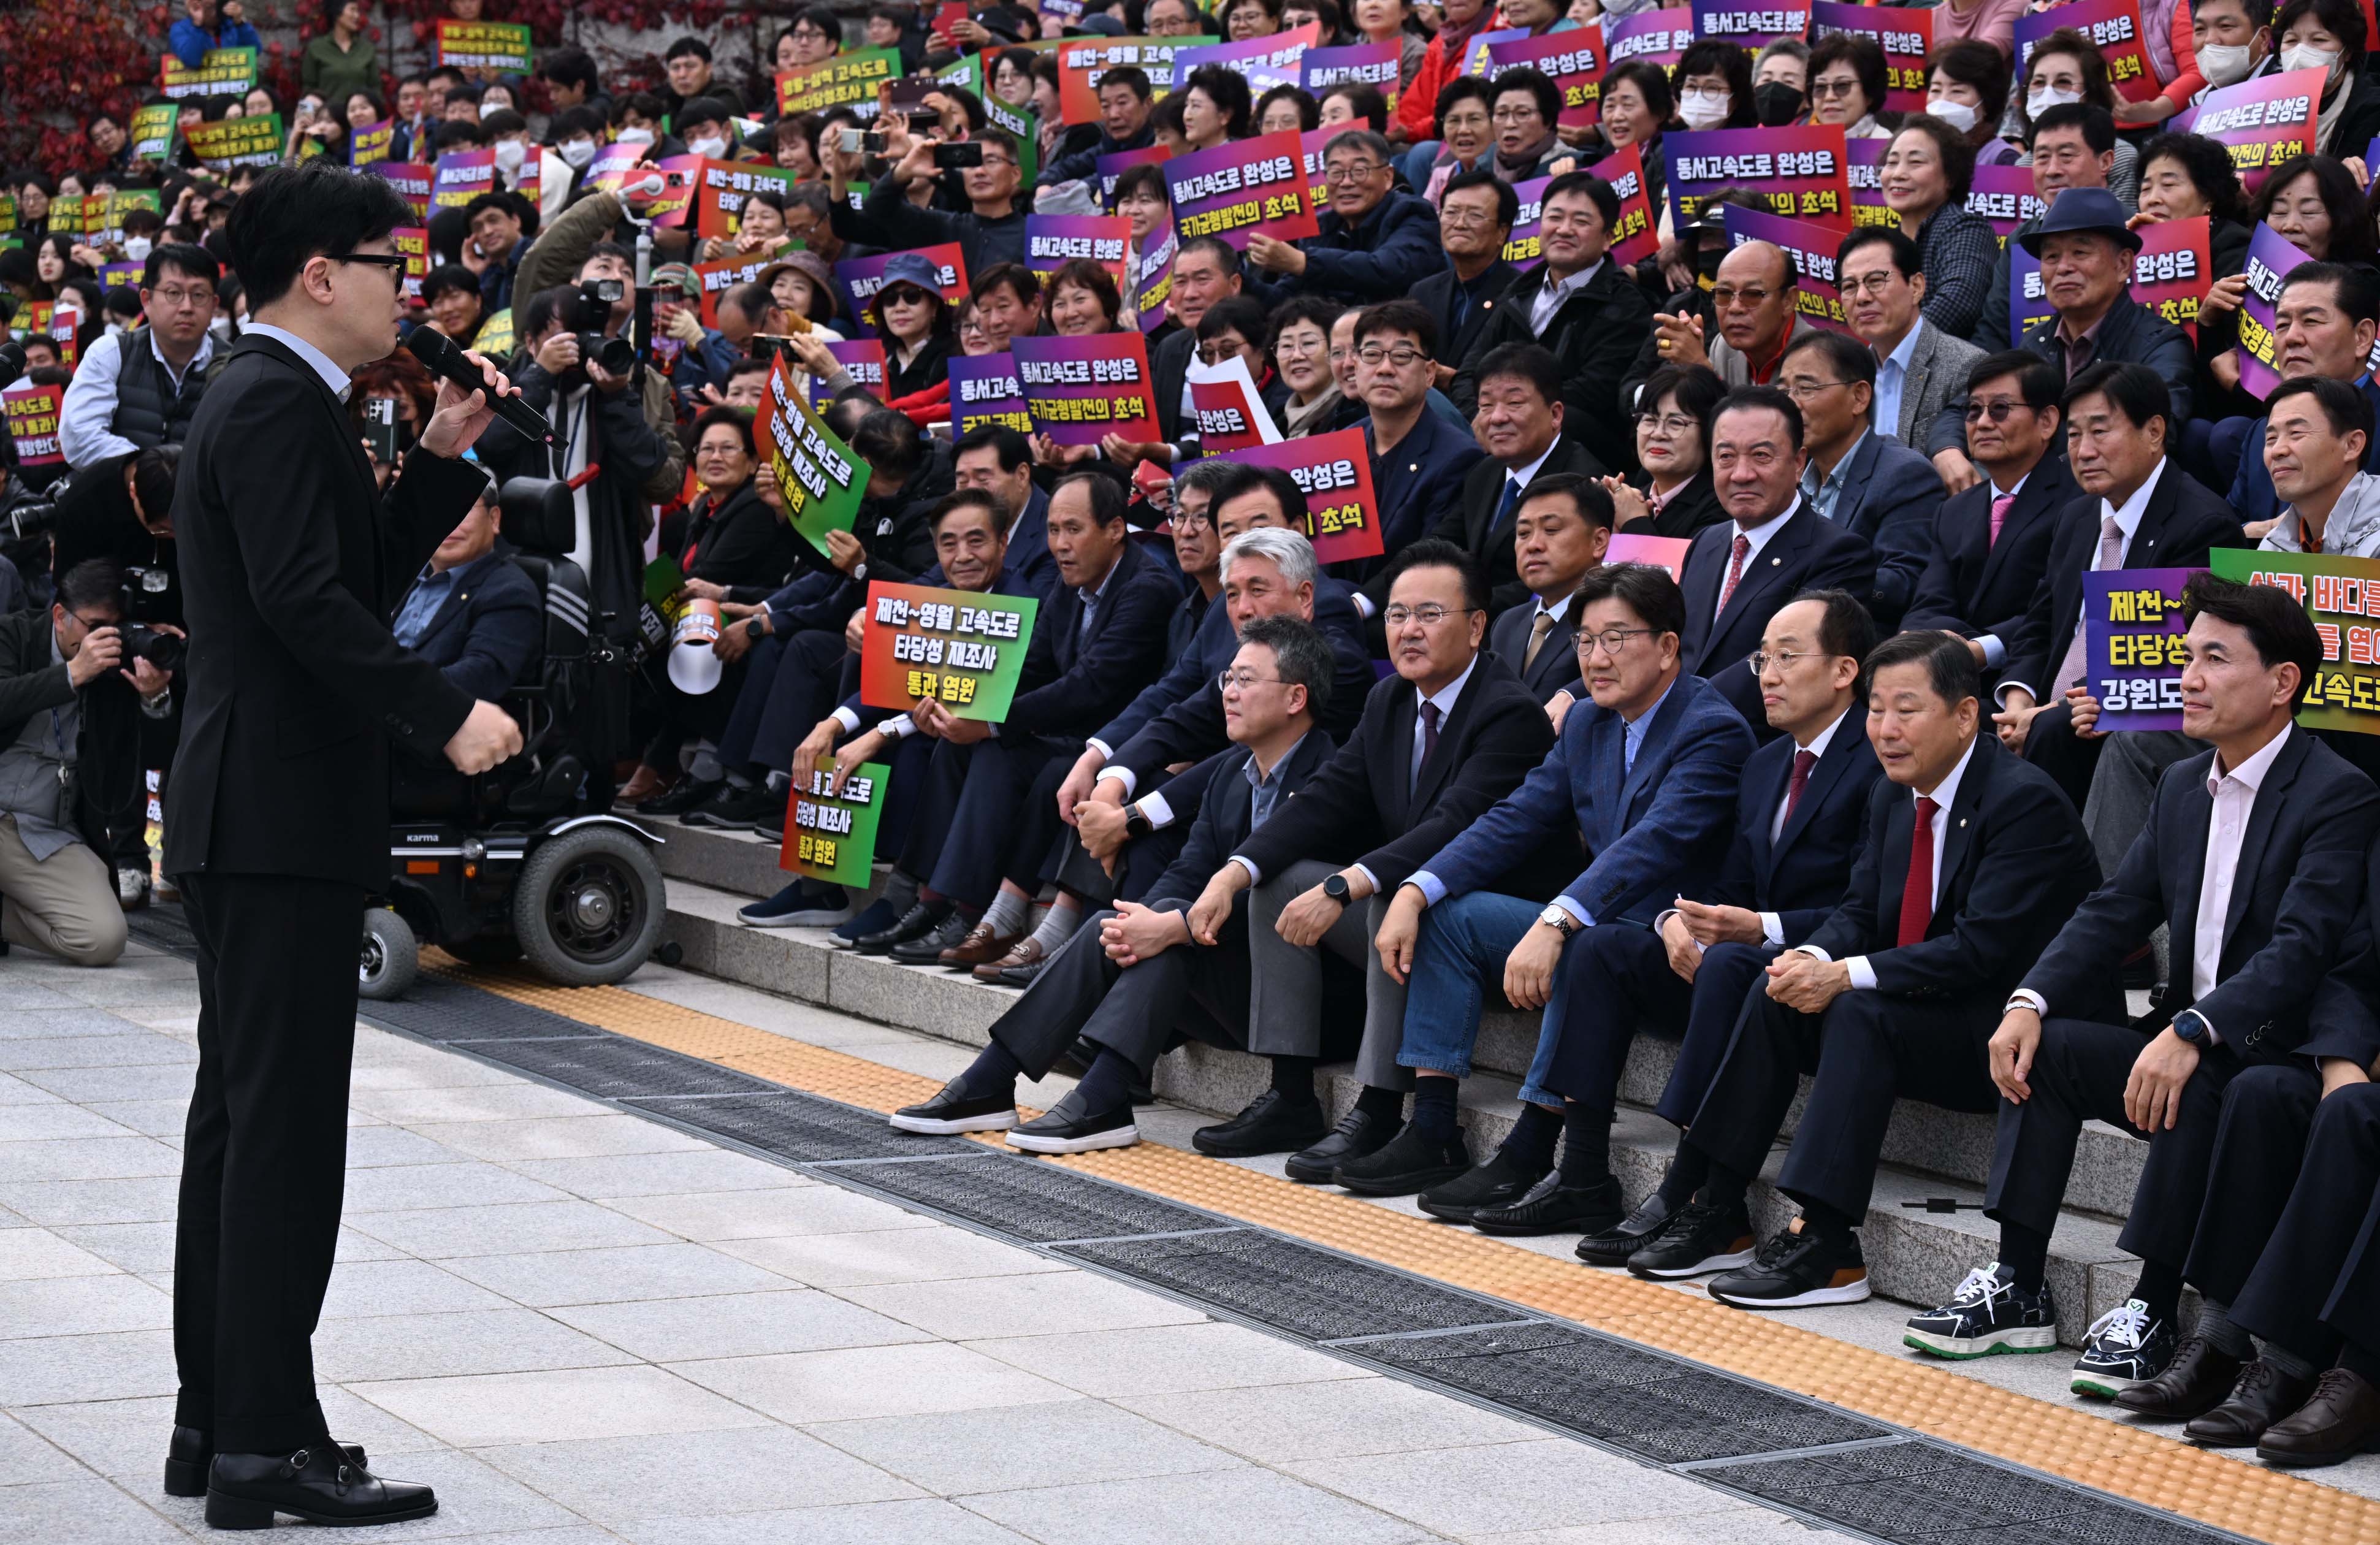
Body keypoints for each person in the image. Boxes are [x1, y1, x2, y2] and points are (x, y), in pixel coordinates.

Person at [164, 161, 523, 1527]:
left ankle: (229, 1427)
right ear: (322, 273)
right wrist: (447, 712)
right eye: (389, 263)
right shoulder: (267, 401)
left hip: (263, 809)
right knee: (282, 1137)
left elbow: (337, 578)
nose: (407, 290)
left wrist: (434, 466)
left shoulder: (273, 401)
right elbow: (308, 604)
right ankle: (262, 1443)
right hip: (275, 812)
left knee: (245, 1127)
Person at [1909, 574, 2376, 1401]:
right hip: (2180, 1031)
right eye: (2185, 656)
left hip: (2266, 1053)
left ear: (2281, 684)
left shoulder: (2337, 792)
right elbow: (2113, 910)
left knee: (2193, 1080)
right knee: (2043, 1050)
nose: (2187, 677)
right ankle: (2017, 1280)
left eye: (2213, 660)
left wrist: (2194, 1029)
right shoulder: (2178, 786)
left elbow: (2301, 951)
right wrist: (2029, 1000)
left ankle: (2153, 1308)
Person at [1627, 632, 2103, 1305]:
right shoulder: (1893, 795)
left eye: (1906, 710)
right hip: (1930, 1006)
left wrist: (1844, 975)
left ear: (1966, 715)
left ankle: (1827, 1243)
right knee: (1779, 987)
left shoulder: (2024, 801)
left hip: (2008, 1033)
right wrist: (1813, 957)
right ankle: (1718, 1202)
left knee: (1855, 1005)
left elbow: (1978, 951)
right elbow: (1857, 910)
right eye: (1876, 710)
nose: (1885, 729)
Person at [1332, 561, 1755, 1205]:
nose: (1596, 657)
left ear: (1668, 648)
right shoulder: (1587, 722)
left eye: (1616, 638)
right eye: (1585, 640)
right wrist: (1417, 889)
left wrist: (1556, 920)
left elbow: (1654, 846)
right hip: (1601, 919)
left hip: (1674, 942)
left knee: (1584, 944)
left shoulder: (1711, 728)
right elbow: (1514, 818)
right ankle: (1434, 1127)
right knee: (1449, 916)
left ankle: (1532, 1143)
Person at [887, 616, 1338, 1153]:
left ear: (1295, 698)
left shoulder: (1330, 776)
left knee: (1167, 933)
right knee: (1124, 923)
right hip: (1231, 973)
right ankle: (997, 1081)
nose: (1229, 694)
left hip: (1312, 1006)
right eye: (1227, 680)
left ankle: (1101, 1096)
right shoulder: (1230, 775)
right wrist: (1139, 928)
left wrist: (1169, 928)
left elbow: (1286, 906)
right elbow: (1189, 872)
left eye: (1246, 681)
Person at [1203, 540, 1561, 1170]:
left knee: (1390, 893)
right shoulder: (1390, 699)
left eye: (1429, 614)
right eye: (1396, 615)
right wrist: (1232, 873)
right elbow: (1325, 797)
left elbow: (1455, 826)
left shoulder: (1510, 712)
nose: (1408, 631)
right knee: (1279, 882)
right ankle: (1290, 1095)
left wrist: (1346, 886)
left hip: (1496, 925)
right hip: (1414, 906)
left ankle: (1377, 1107)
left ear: (1477, 626)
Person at [1561, 592, 1883, 1252]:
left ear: (1845, 671)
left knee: (1737, 962)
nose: (1766, 674)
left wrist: (1759, 927)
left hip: (1822, 969)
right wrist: (1672, 921)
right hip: (1743, 962)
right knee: (1602, 947)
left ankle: (1703, 1192)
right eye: (1762, 657)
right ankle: (1582, 1166)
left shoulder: (1879, 758)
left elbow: (1870, 909)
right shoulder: (1767, 763)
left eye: (1788, 658)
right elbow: (1728, 885)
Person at [846, 473, 1180, 964]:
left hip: (1111, 742)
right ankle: (925, 898)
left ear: (1114, 530)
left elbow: (1089, 686)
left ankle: (968, 911)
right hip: (1066, 731)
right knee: (957, 745)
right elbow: (1030, 669)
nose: (1060, 546)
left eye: (1073, 530)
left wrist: (991, 724)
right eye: (1052, 531)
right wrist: (966, 705)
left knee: (999, 753)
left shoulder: (1146, 587)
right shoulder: (1072, 583)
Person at [1992, 362, 2243, 813]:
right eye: (2073, 435)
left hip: (2129, 713)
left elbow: (2164, 657)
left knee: (2054, 733)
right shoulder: (2078, 515)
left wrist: (2046, 715)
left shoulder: (2201, 524)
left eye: (2100, 431)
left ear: (2153, 432)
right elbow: (2042, 620)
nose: (2084, 451)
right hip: (2051, 708)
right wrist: (2019, 699)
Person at [1679, 386, 1880, 731]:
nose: (1741, 474)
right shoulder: (1705, 543)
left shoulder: (1839, 553)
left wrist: (1677, 714)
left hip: (1759, 744)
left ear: (1799, 462)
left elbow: (1792, 665)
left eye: (1761, 456)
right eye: (1726, 456)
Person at [0, 559, 168, 967]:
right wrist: (71, 675)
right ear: (60, 616)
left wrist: (154, 700)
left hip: (45, 832)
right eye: (95, 628)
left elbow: (157, 760)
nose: (105, 640)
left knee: (103, 938)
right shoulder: (14, 634)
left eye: (116, 629)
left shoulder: (117, 671)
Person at [1449, 171, 1650, 478]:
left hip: (1579, 450)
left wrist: (1515, 413)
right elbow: (1469, 371)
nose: (1564, 230)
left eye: (1581, 222)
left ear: (1608, 237)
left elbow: (1596, 391)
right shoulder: (1519, 292)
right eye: (1555, 217)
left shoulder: (1624, 304)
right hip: (1502, 436)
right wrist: (1481, 414)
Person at [1904, 351, 2080, 687]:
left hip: (2038, 679)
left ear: (2047, 422)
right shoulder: (1954, 509)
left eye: (2000, 409)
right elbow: (1929, 603)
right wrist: (1944, 646)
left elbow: (2063, 604)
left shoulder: (2080, 498)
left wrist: (1981, 649)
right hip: (1951, 674)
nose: (1983, 423)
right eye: (1974, 411)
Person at [1779, 329, 1947, 629]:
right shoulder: (1787, 477)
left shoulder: (1905, 475)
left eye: (1805, 388)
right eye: (1784, 391)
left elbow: (1903, 585)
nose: (1791, 404)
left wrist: (1803, 577)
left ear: (1859, 397)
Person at [1433, 342, 1604, 617]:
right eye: (1486, 405)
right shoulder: (1485, 471)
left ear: (1556, 414)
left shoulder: (1580, 482)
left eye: (1515, 403)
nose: (1498, 418)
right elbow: (1442, 543)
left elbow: (1549, 583)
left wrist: (1454, 607)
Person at [2015, 186, 2197, 429]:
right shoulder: (2033, 344)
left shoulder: (2159, 345)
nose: (2063, 268)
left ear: (2123, 265)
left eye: (2080, 252)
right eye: (2051, 257)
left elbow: (2156, 431)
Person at [2226, 263, 2380, 533]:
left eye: (2311, 321)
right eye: (2282, 324)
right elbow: (2228, 530)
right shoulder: (2261, 433)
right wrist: (2266, 532)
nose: (2292, 338)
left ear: (2363, 337)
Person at [1354, 300, 1486, 611]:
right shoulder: (1339, 445)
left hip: (1401, 614)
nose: (1385, 369)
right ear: (1355, 365)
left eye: (1402, 356)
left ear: (1429, 373)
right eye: (1372, 355)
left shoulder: (1459, 457)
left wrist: (1357, 605)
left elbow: (1428, 556)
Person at [1856, 172, 1989, 476]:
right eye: (1849, 286)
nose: (1861, 297)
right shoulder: (1847, 374)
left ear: (1917, 287)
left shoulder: (1968, 366)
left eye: (1876, 281)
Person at [1972, 103, 2121, 352]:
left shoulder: (2135, 229)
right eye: (2042, 157)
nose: (2052, 170)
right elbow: (1994, 330)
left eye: (2067, 157)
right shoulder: (2021, 240)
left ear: (2105, 161)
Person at [59, 244, 221, 469]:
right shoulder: (111, 352)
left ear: (214, 305)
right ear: (146, 300)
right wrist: (149, 470)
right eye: (173, 293)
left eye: (198, 295)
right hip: (121, 496)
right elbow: (80, 437)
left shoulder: (235, 364)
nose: (187, 307)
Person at [1249, 129, 1446, 307]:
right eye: (1336, 173)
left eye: (1359, 171)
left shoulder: (1412, 212)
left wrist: (1304, 262)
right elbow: (1283, 298)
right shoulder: (1324, 227)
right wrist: (1234, 277)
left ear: (1387, 177)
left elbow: (1387, 269)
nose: (1346, 182)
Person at [389, 473, 540, 703]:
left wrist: (386, 691)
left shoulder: (509, 591)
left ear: (494, 519)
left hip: (430, 724)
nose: (449, 522)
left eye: (463, 508)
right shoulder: (402, 576)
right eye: (435, 509)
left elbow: (479, 676)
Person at [1490, 471, 1608, 703]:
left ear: (1599, 542)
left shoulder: (1618, 621)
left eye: (1551, 530)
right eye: (1523, 533)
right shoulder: (1506, 623)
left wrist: (1571, 696)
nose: (1533, 545)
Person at [1649, 240, 1818, 398]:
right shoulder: (1722, 346)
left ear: (1788, 300)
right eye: (1724, 294)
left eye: (1753, 295)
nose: (1735, 308)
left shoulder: (1818, 359)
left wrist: (1702, 371)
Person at [1410, 168, 1517, 380]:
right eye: (1451, 213)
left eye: (1475, 215)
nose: (1459, 224)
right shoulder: (1422, 292)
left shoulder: (1520, 294)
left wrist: (1455, 383)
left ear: (1502, 233)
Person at [2260, 372, 2380, 555]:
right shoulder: (2272, 546)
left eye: (2296, 433)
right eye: (2271, 438)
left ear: (2352, 445)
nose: (2277, 450)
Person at [1607, 363, 1728, 540]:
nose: (1658, 434)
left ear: (1710, 431)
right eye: (1649, 419)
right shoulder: (1637, 496)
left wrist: (1634, 522)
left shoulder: (1722, 507)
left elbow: (1687, 568)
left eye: (1676, 423)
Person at [1037, 66, 1155, 191]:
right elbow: (1069, 166)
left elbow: (1107, 180)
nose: (1113, 115)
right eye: (1106, 106)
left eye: (1122, 103)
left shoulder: (1159, 142)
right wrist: (1045, 184)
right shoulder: (1109, 144)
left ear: (1148, 104)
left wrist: (1063, 193)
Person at [1804, 33, 1895, 139]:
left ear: (1869, 93)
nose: (1829, 97)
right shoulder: (1798, 148)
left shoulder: (1888, 147)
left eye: (1842, 86)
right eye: (1820, 87)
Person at [302, 0, 377, 110]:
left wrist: (377, 122)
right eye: (352, 10)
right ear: (337, 13)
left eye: (358, 11)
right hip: (328, 121)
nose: (357, 16)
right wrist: (305, 121)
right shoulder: (316, 48)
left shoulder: (367, 49)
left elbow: (376, 88)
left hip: (360, 120)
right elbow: (308, 90)